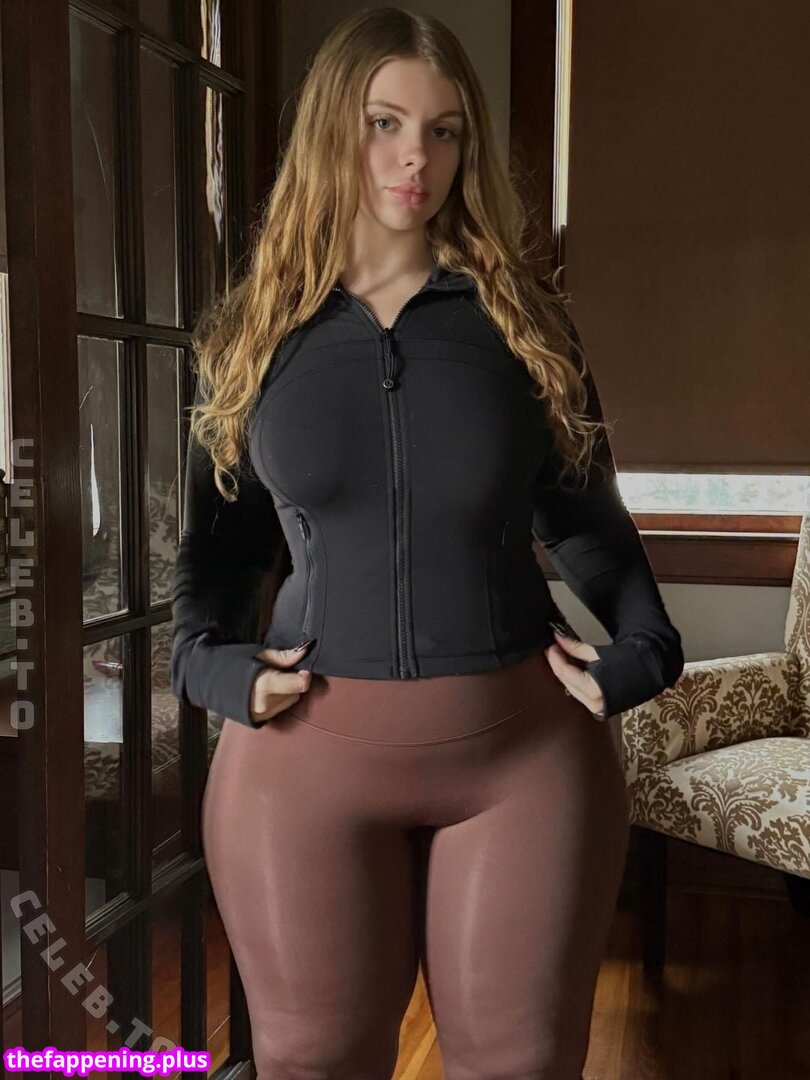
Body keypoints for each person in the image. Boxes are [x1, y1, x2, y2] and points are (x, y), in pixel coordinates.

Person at [170, 7, 684, 1079]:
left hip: (522, 760)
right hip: (303, 762)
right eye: (385, 123)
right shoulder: (251, 336)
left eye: (444, 131)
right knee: (312, 1059)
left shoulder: (527, 326)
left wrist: (646, 651)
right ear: (333, 131)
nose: (417, 157)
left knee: (519, 1063)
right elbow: (217, 550)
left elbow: (590, 529)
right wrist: (206, 665)